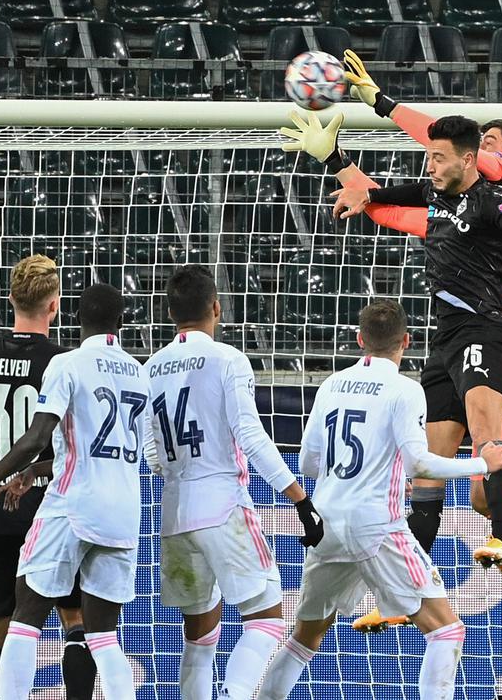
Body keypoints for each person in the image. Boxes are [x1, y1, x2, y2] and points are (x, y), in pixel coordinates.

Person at [292, 51, 502, 669]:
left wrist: (383, 102)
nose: (480, 149)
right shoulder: (465, 209)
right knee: (479, 486)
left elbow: (444, 142)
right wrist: (338, 168)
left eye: (490, 142)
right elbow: (401, 211)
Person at [256, 300, 502, 700]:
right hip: (376, 526)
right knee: (446, 630)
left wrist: (372, 472)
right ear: (406, 342)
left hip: (327, 523)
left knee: (304, 638)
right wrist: (482, 462)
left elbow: (307, 462)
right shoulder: (406, 389)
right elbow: (420, 464)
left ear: (360, 340)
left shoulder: (331, 385)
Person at [0, 284, 154, 700]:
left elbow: (37, 435)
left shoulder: (67, 362)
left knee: (26, 614)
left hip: (72, 504)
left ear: (75, 318)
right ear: (123, 323)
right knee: (104, 635)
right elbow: (111, 450)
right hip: (125, 512)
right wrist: (35, 471)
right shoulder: (139, 372)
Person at [147, 265, 323, 700]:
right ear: (216, 308)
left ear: (170, 314)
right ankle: (234, 694)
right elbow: (250, 435)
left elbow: (150, 452)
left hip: (175, 512)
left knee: (200, 634)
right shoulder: (228, 359)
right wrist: (300, 499)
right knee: (266, 619)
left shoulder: (149, 368)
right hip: (223, 504)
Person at [0, 255, 96, 700]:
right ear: (54, 306)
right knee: (73, 618)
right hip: (54, 507)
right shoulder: (66, 362)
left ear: (9, 299)